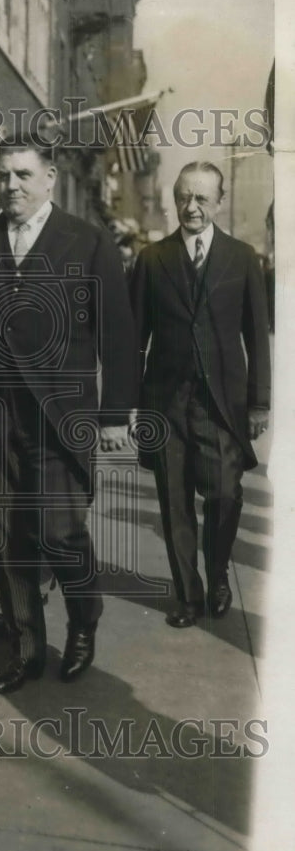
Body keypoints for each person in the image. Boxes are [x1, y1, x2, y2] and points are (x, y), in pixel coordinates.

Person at [0, 133, 137, 694]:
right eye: (4, 175)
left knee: (60, 534)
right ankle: (26, 647)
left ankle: (82, 620)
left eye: (24, 175)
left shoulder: (87, 242)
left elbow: (117, 335)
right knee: (5, 536)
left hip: (59, 417)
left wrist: (115, 415)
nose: (12, 186)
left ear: (50, 178)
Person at [129, 161, 271, 628]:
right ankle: (188, 596)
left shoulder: (242, 257)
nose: (191, 207)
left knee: (226, 496)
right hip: (165, 404)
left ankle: (218, 575)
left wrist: (258, 402)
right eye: (184, 197)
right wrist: (130, 405)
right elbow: (134, 338)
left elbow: (256, 334)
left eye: (202, 199)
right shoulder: (152, 259)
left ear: (219, 202)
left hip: (220, 406)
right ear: (175, 199)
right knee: (174, 503)